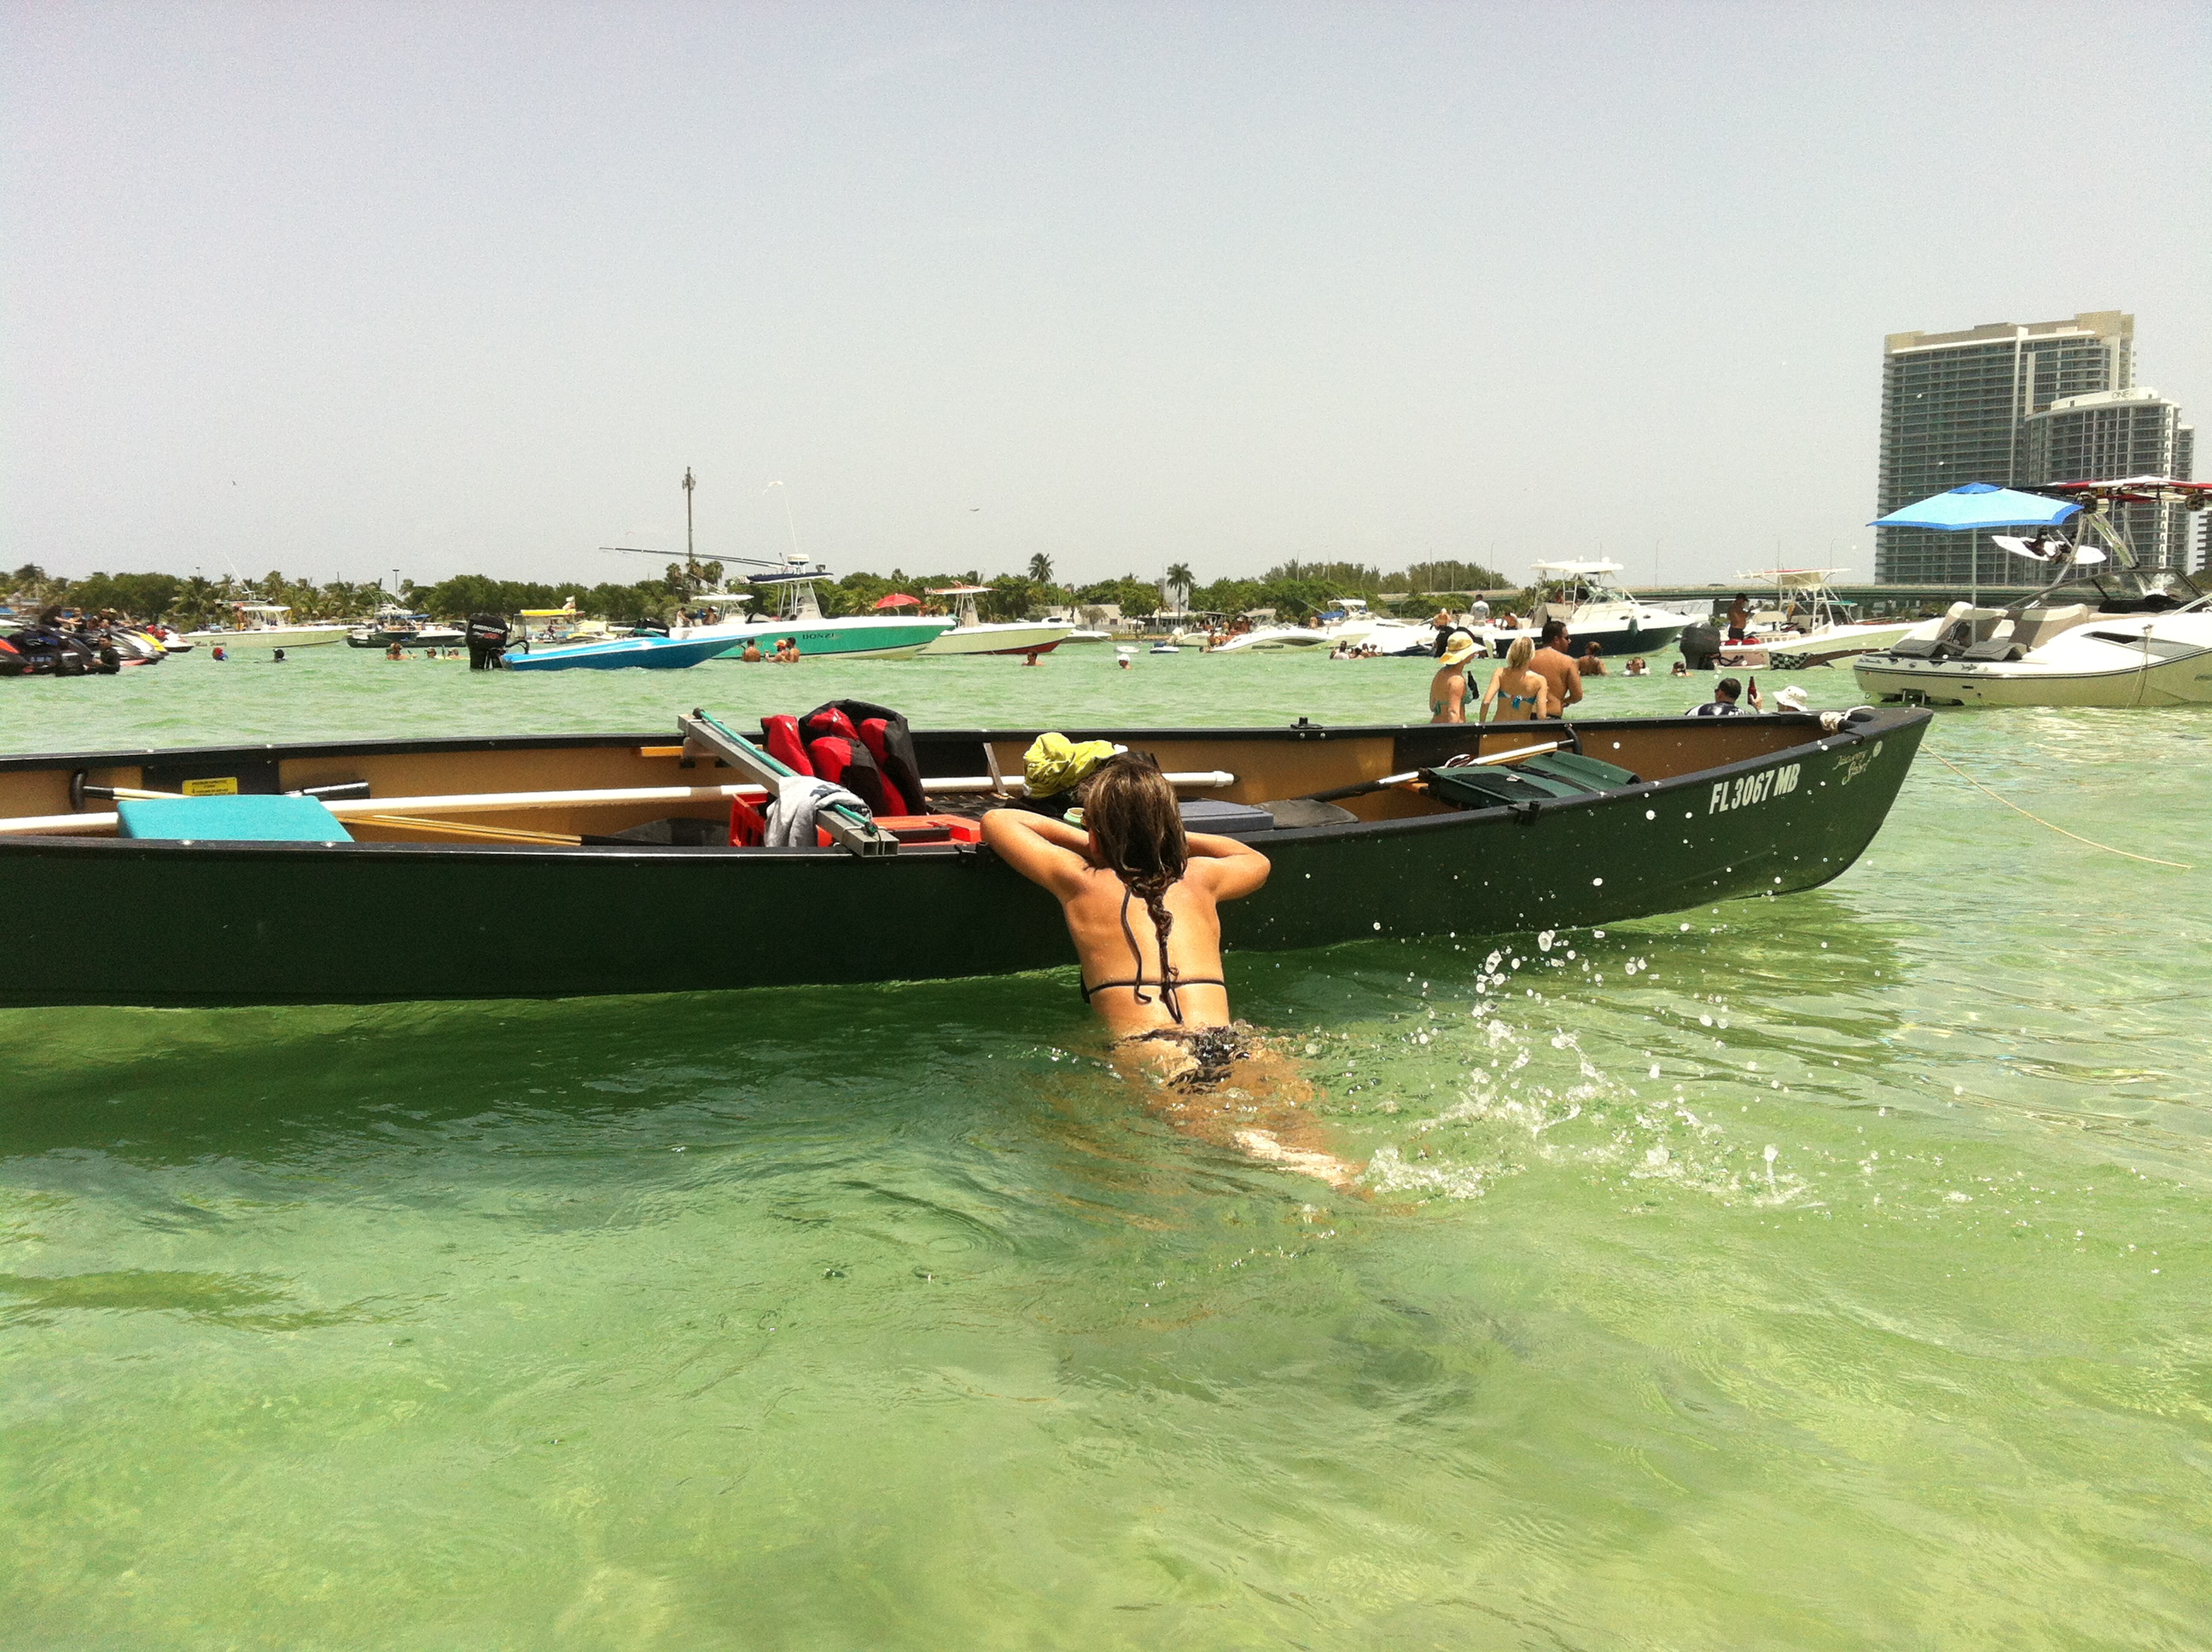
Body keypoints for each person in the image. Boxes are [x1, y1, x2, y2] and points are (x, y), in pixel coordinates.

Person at [981, 757, 1355, 1184]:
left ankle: (1271, 1153)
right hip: (1225, 1035)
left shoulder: (1079, 880)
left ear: (1095, 833)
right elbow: (1253, 858)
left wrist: (1093, 842)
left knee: (1210, 1136)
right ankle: (1335, 1173)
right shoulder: (1201, 878)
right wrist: (1165, 839)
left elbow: (998, 820)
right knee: (1299, 1128)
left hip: (1150, 1046)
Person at [1480, 637, 1552, 723]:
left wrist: (1482, 724)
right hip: (1521, 731)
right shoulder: (1539, 681)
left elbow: (1486, 702)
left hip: (1499, 729)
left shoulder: (1500, 673)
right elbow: (1541, 716)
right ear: (1531, 654)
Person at [1528, 620, 1583, 715]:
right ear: (1556, 640)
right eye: (1567, 638)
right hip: (1552, 716)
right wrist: (1565, 701)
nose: (1569, 641)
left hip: (1527, 716)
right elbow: (1577, 695)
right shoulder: (1569, 662)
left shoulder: (1527, 659)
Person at [1429, 636, 1479, 722]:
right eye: (1472, 651)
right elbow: (1453, 712)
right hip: (1451, 730)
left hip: (1435, 726)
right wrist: (1455, 733)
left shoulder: (1441, 674)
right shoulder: (1457, 680)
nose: (1475, 653)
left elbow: (1432, 706)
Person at [1691, 675, 1762, 715]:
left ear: (1720, 693)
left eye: (1716, 691)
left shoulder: (1699, 710)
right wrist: (1758, 708)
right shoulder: (1744, 714)